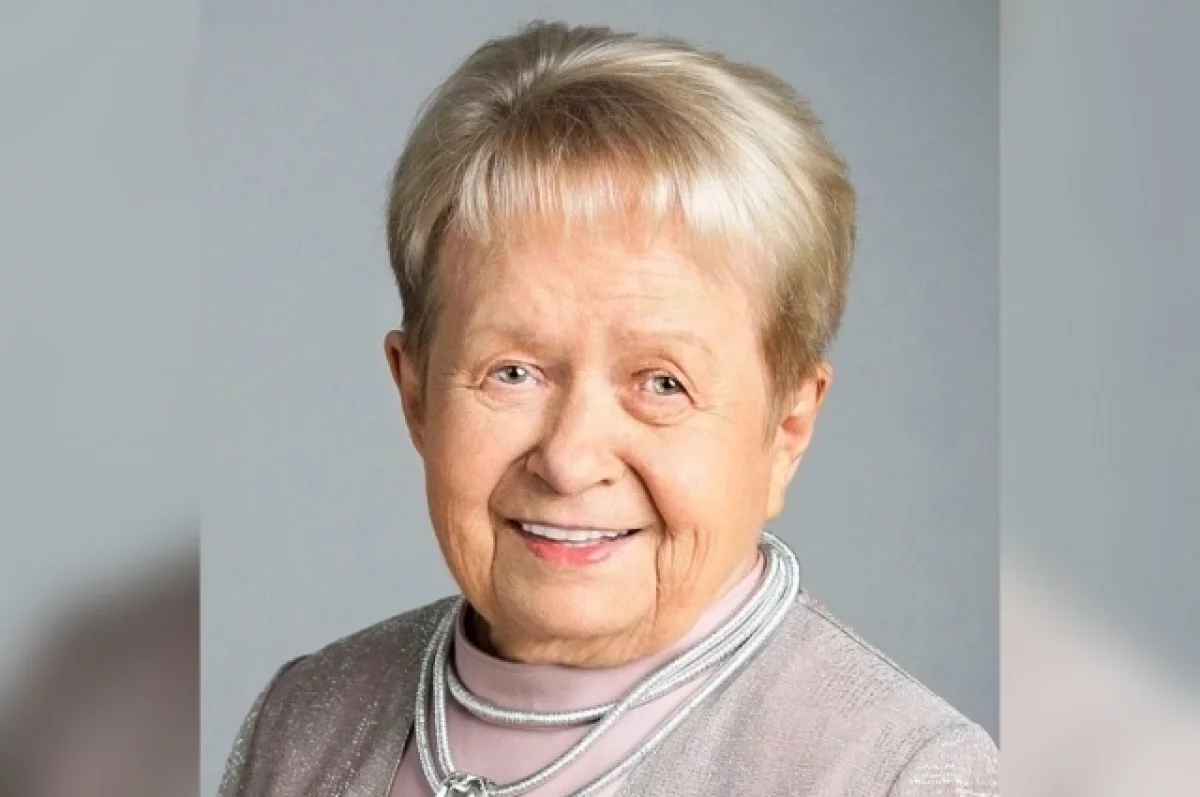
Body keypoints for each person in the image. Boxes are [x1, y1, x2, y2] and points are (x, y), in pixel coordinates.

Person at [219, 20, 998, 796]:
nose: (569, 459)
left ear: (788, 427)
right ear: (416, 395)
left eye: (661, 383)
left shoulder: (897, 774)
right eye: (513, 372)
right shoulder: (298, 727)